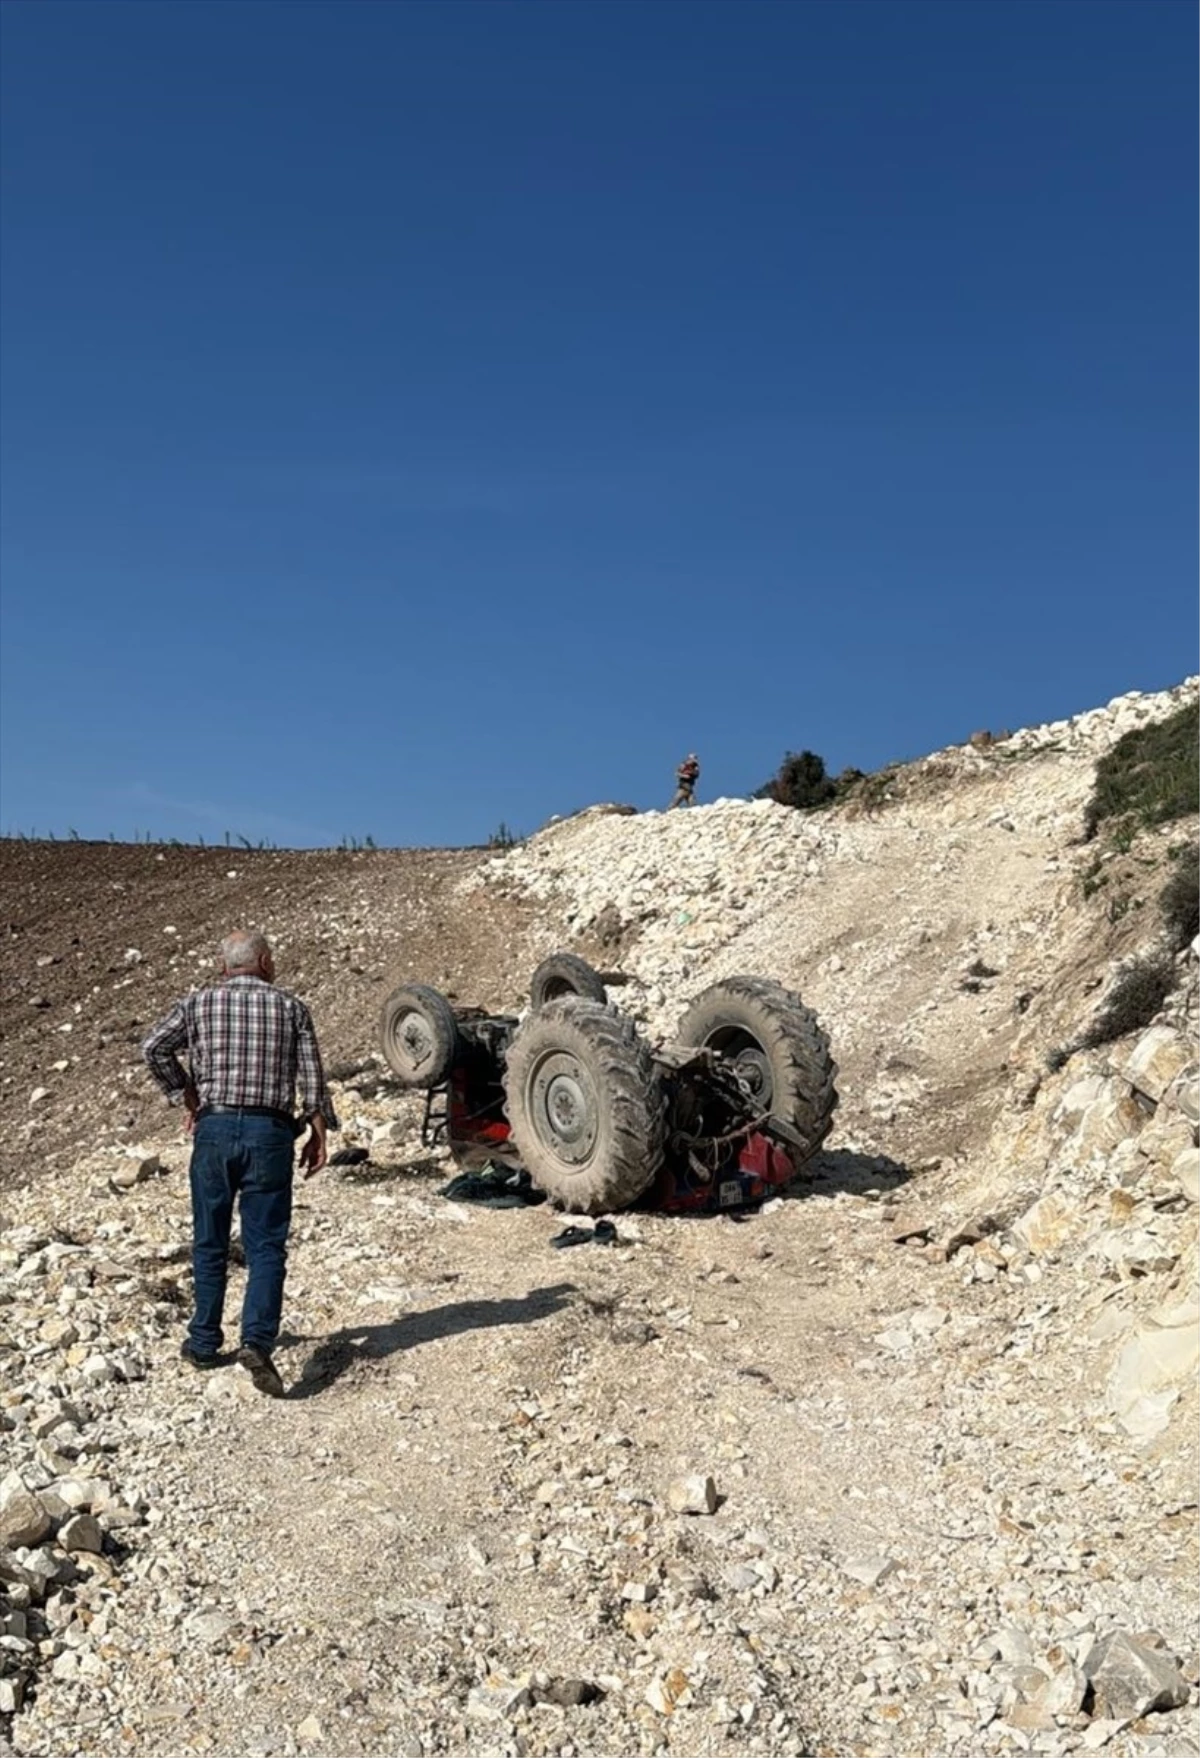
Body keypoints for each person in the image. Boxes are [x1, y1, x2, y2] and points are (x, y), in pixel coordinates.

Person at [142, 929, 338, 1397]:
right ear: (266, 962)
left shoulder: (198, 1004)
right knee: (266, 1246)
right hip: (270, 1134)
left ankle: (205, 1342)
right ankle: (256, 1340)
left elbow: (153, 1047)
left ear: (223, 964)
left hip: (213, 1132)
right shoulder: (291, 1008)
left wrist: (185, 1093)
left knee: (209, 1241)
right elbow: (311, 1076)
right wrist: (319, 1132)